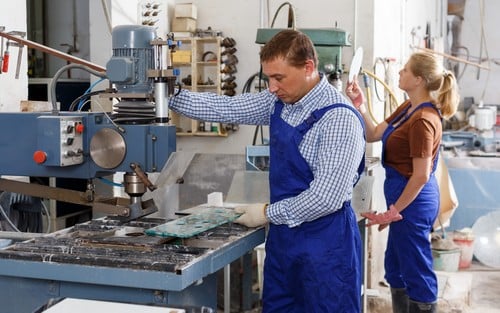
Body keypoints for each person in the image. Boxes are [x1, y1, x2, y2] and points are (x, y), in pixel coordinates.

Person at [169, 29, 366, 312]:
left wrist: (264, 213)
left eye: (279, 78)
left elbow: (326, 197)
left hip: (326, 249)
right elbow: (227, 108)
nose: (272, 87)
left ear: (308, 67)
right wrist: (170, 94)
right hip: (283, 245)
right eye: (269, 78)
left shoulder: (338, 118)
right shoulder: (279, 102)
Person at [345, 52, 459, 313]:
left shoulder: (423, 121)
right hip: (403, 199)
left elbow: (420, 175)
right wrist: (359, 103)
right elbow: (373, 134)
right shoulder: (409, 108)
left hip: (413, 201)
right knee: (395, 268)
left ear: (418, 79)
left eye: (405, 70)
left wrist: (393, 213)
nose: (399, 73)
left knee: (416, 271)